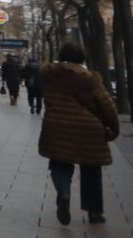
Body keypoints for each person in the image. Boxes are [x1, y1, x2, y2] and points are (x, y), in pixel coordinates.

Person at [38, 42, 119, 225]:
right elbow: (106, 105)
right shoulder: (89, 78)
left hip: (57, 126)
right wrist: (114, 127)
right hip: (89, 130)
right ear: (82, 58)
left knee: (59, 163)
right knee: (91, 168)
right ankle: (94, 213)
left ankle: (64, 193)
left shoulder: (49, 75)